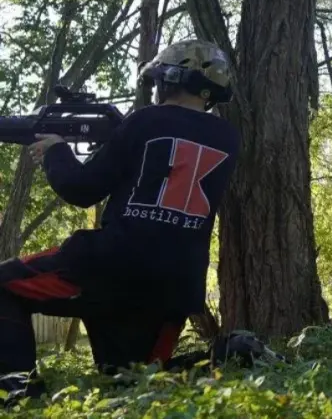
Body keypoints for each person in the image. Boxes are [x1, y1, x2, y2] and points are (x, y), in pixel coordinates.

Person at [0, 40, 239, 405]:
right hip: (176, 289)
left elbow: (81, 189)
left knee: (3, 285)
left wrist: (55, 151)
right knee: (134, 387)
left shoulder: (144, 121)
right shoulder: (228, 138)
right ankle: (234, 357)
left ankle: (18, 395)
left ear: (168, 80)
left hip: (108, 267)